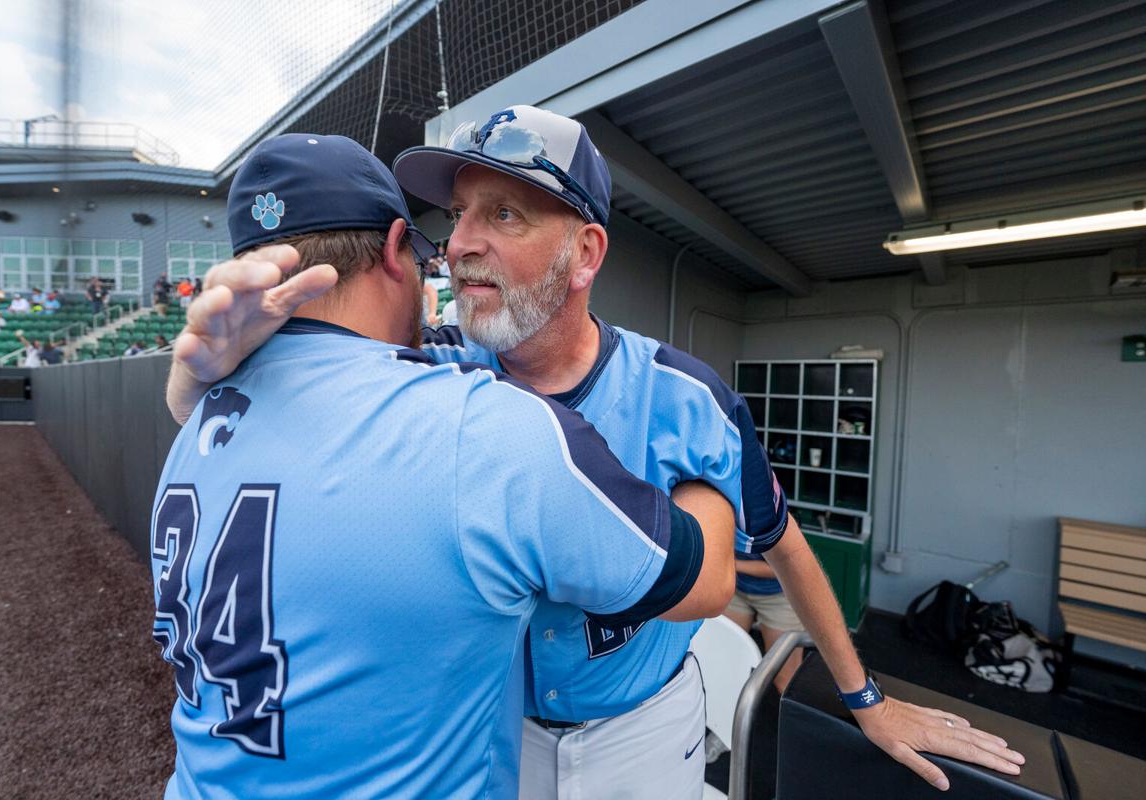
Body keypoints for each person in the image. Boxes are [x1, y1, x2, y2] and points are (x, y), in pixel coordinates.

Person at [168, 108, 1025, 797]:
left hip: (637, 732)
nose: (460, 240)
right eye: (458, 213)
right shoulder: (431, 367)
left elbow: (786, 544)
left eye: (504, 212)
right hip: (493, 734)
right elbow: (307, 394)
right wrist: (208, 371)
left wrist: (865, 700)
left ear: (585, 253)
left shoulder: (684, 396)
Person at [151, 133, 734, 799]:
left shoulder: (194, 420)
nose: (452, 260)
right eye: (436, 247)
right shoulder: (484, 429)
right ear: (399, 252)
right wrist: (703, 485)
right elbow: (704, 577)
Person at [723, 552, 805, 692]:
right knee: (725, 660)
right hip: (736, 587)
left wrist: (730, 563)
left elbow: (786, 566)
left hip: (780, 594)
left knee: (785, 678)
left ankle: (786, 713)